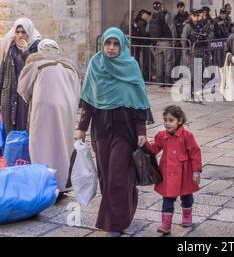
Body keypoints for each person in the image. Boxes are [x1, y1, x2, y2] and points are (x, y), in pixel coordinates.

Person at [75, 27, 153, 237]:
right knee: (106, 175)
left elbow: (139, 99)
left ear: (122, 45)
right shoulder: (95, 64)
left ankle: (115, 224)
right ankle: (124, 204)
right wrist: (81, 127)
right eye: (108, 44)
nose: (111, 48)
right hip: (101, 127)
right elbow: (89, 99)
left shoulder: (131, 66)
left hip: (125, 128)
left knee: (117, 175)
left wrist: (141, 130)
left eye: (115, 44)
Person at [17, 39, 80, 194]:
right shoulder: (71, 66)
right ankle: (62, 184)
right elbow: (78, 92)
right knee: (64, 145)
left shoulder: (36, 64)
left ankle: (44, 184)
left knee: (41, 145)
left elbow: (23, 89)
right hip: (66, 110)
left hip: (42, 109)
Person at [144, 105, 202, 235]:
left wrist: (196, 171)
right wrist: (145, 143)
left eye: (171, 120)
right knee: (167, 198)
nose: (167, 123)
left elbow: (195, 153)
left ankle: (187, 215)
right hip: (167, 174)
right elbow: (154, 149)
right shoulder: (161, 135)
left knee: (187, 196)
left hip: (184, 173)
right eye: (165, 120)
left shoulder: (187, 136)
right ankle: (166, 224)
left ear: (179, 121)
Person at [0, 17, 41, 136]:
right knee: (10, 126)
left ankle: (26, 151)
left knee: (26, 124)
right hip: (10, 93)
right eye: (17, 32)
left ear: (29, 32)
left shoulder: (36, 47)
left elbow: (35, 69)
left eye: (23, 32)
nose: (20, 35)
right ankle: (12, 151)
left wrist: (25, 53)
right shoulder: (10, 47)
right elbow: (2, 71)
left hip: (26, 94)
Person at [148, 1, 176, 85]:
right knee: (168, 61)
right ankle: (167, 80)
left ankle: (159, 80)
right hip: (167, 42)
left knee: (159, 62)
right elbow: (172, 29)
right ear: (161, 7)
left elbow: (147, 29)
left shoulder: (152, 16)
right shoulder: (166, 15)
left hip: (157, 42)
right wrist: (174, 40)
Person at [132, 9, 151, 81]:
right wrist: (149, 33)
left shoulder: (139, 22)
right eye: (147, 14)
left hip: (140, 44)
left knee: (141, 61)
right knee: (145, 61)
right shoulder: (141, 23)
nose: (148, 16)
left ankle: (142, 77)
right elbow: (144, 33)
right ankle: (144, 78)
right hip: (143, 44)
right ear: (142, 15)